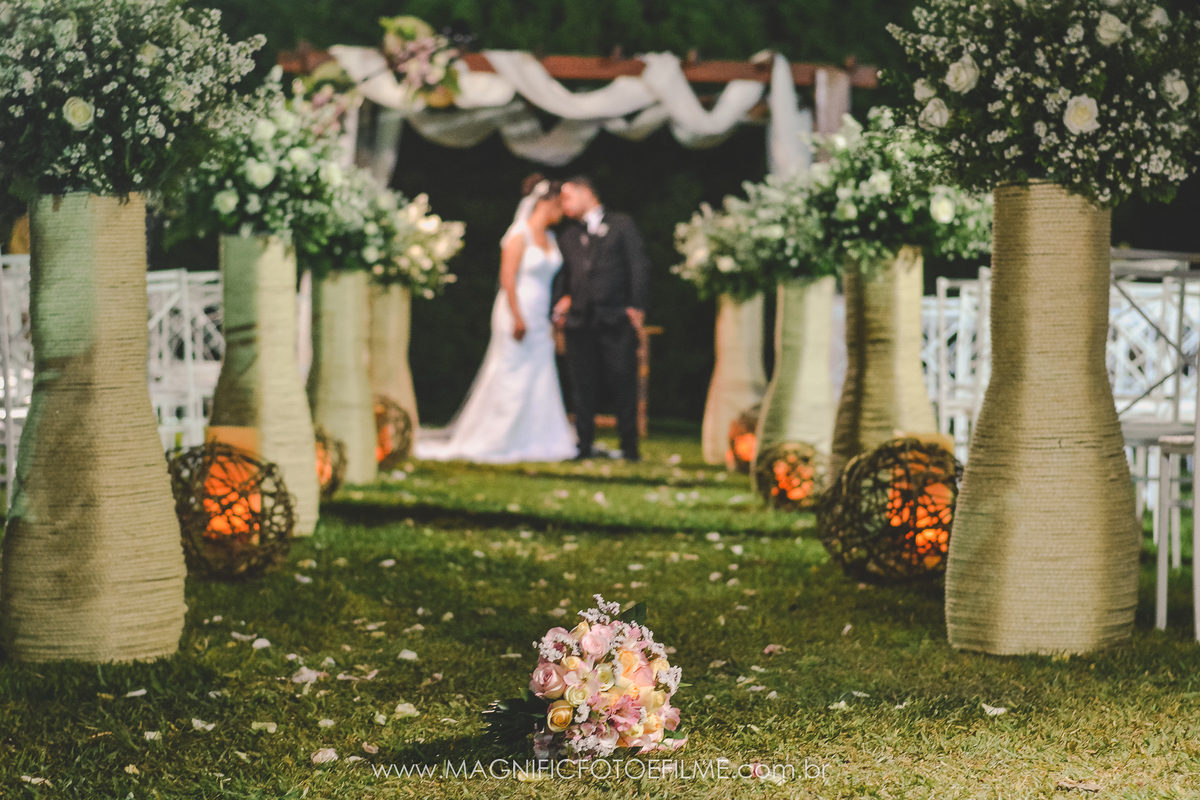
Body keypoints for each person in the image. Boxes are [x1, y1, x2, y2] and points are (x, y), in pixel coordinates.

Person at [415, 176, 576, 463]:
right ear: (547, 203)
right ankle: (498, 436)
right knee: (511, 372)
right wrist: (517, 315)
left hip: (541, 314)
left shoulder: (551, 238)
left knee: (540, 374)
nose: (563, 212)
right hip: (517, 309)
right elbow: (507, 279)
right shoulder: (518, 234)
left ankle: (536, 436)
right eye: (560, 205)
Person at [553, 176, 651, 461]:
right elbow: (563, 275)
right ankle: (583, 445)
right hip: (579, 321)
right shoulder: (568, 235)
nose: (564, 205)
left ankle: (629, 447)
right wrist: (560, 303)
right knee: (582, 386)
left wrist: (637, 305)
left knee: (623, 382)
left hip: (615, 317)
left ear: (586, 193)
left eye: (568, 197)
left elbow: (638, 264)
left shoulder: (621, 225)